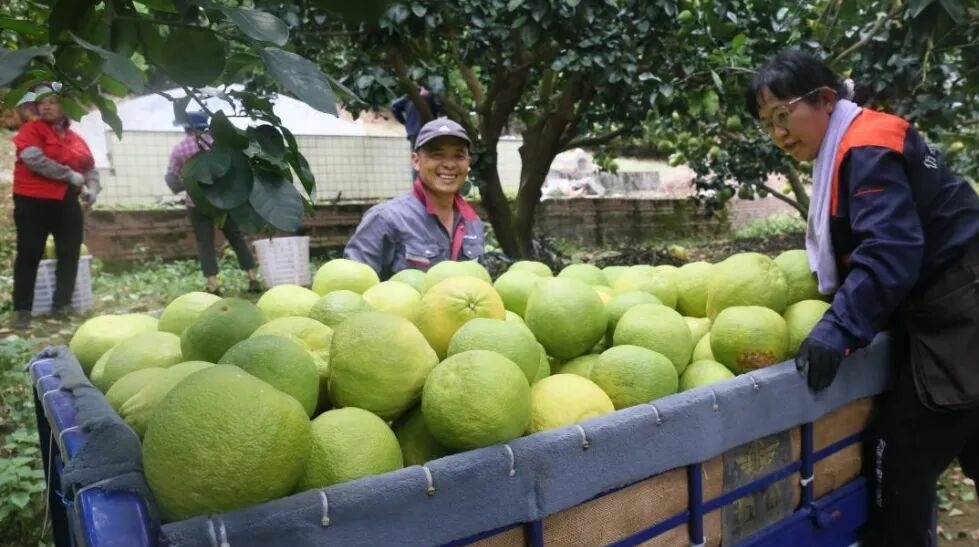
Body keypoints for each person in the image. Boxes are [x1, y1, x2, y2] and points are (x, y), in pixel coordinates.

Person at [745, 49, 979, 547]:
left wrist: (839, 328)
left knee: (898, 458)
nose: (778, 133)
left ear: (826, 100)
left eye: (783, 114)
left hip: (960, 312)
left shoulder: (865, 146)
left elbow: (890, 248)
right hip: (954, 299)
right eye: (767, 123)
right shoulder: (860, 138)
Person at [8, 83, 101, 329]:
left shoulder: (76, 139)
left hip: (66, 201)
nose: (46, 106)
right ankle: (22, 310)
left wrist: (93, 188)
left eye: (52, 101)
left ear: (65, 106)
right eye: (41, 103)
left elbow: (90, 168)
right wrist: (69, 175)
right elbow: (33, 159)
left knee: (69, 252)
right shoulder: (32, 129)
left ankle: (62, 305)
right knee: (29, 253)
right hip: (32, 200)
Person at [344, 118, 484, 279]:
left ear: (468, 163)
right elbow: (353, 284)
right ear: (416, 161)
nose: (449, 164)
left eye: (458, 156)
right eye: (437, 155)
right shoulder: (385, 219)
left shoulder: (473, 223)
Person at [165, 111, 261, 295]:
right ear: (207, 126)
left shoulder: (179, 149)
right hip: (224, 200)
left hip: (197, 204)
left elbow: (170, 177)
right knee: (237, 239)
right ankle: (252, 279)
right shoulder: (218, 145)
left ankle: (213, 285)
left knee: (205, 244)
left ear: (186, 128)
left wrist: (188, 185)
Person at [390, 86, 441, 179]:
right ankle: (422, 183)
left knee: (419, 158)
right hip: (427, 132)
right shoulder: (428, 95)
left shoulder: (409, 97)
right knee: (428, 157)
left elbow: (394, 107)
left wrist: (405, 122)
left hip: (416, 132)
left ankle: (419, 184)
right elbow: (438, 108)